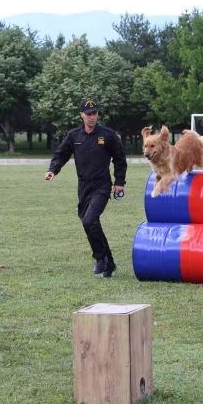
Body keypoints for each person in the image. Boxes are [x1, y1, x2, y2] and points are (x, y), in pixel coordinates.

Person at [44, 99, 127, 278]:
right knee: (89, 222)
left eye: (95, 113)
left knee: (89, 220)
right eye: (88, 114)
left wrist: (119, 181)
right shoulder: (74, 136)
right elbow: (61, 154)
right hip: (84, 187)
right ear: (81, 115)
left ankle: (99, 258)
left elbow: (120, 158)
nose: (92, 117)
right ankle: (109, 262)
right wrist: (53, 170)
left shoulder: (107, 134)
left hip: (102, 186)